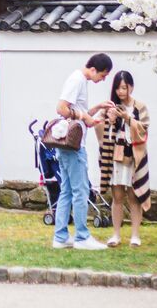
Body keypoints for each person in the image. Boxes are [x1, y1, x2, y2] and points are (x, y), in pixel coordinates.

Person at [52, 53, 114, 251]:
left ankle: (61, 237)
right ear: (93, 69)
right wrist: (82, 116)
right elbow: (61, 108)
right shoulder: (77, 79)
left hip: (68, 146)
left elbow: (80, 112)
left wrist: (96, 108)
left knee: (67, 191)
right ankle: (81, 236)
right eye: (103, 75)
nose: (102, 79)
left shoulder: (80, 80)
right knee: (81, 191)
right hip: (74, 146)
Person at [98, 70, 151, 247]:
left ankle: (135, 235)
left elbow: (144, 129)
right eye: (118, 88)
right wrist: (110, 120)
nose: (121, 92)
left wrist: (127, 118)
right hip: (115, 156)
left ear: (131, 87)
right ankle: (116, 234)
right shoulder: (110, 106)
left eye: (124, 88)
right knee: (117, 196)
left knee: (134, 196)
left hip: (134, 156)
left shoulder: (140, 107)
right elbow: (98, 127)